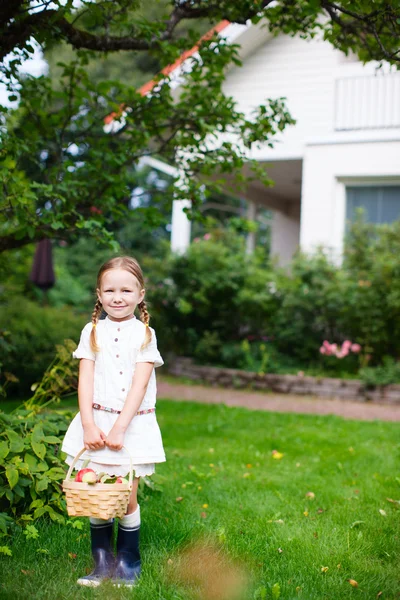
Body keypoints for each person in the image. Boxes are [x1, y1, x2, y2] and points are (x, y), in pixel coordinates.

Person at [62, 256, 166, 588]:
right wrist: (90, 425)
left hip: (130, 427)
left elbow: (139, 385)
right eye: (110, 290)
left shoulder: (145, 334)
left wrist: (121, 427)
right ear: (99, 293)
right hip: (97, 422)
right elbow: (86, 380)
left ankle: (128, 561)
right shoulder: (91, 331)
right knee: (96, 492)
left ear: (140, 294)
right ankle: (101, 563)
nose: (117, 297)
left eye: (125, 290)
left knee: (125, 496)